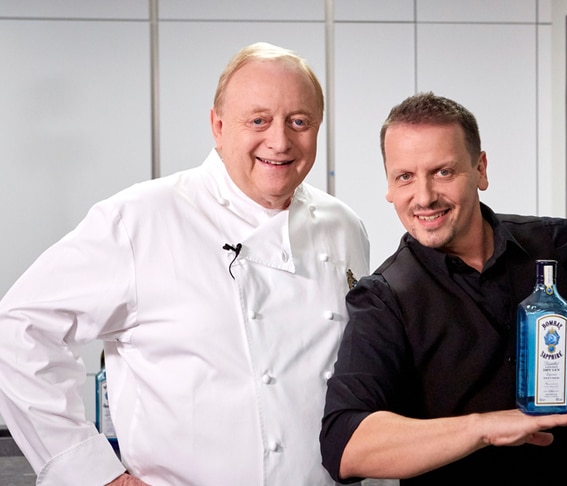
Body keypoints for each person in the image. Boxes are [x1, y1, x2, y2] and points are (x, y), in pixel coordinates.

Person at [0, 42, 369, 486]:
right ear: (218, 126)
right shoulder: (140, 219)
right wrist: (94, 474)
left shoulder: (343, 226)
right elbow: (16, 330)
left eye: (299, 121)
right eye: (258, 120)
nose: (280, 141)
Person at [320, 92, 567, 485]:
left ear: (481, 169)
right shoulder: (383, 298)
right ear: (389, 186)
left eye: (443, 172)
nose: (424, 197)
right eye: (405, 176)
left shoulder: (563, 247)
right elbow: (345, 445)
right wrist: (482, 428)